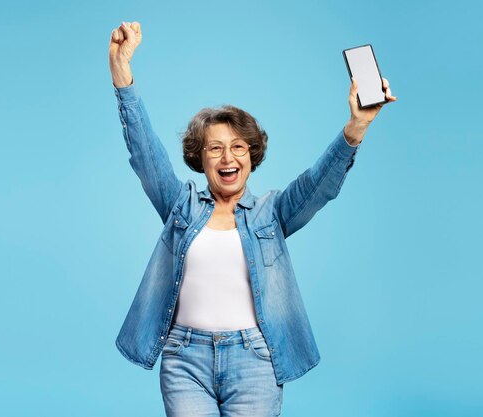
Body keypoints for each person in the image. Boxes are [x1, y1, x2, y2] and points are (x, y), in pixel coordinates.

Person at [108, 21, 396, 417]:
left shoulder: (272, 212)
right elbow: (145, 154)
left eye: (238, 147)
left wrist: (357, 125)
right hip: (184, 359)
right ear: (200, 158)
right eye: (215, 148)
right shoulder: (180, 206)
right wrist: (122, 76)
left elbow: (319, 184)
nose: (228, 158)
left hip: (255, 361)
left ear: (251, 155)